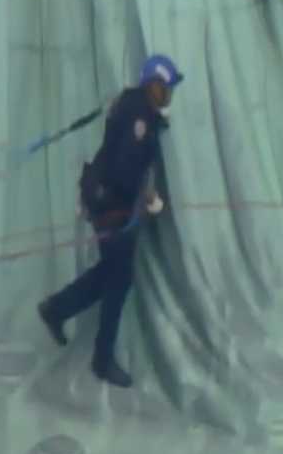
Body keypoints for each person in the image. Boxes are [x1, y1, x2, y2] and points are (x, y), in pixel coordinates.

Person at [37, 54, 183, 388]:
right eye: (167, 88)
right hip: (110, 204)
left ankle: (57, 311)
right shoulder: (139, 117)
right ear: (153, 85)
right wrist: (147, 199)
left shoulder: (138, 108)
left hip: (107, 201)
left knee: (112, 276)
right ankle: (99, 357)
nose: (170, 94)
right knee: (117, 280)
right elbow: (124, 169)